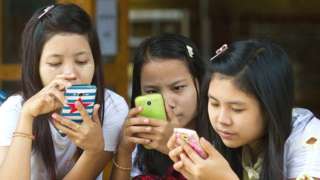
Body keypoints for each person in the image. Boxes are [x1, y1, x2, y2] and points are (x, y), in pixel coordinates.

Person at [0, 4, 128, 180]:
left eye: (82, 61)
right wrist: (27, 116)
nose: (70, 74)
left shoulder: (112, 107)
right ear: (35, 66)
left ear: (95, 61)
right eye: (55, 63)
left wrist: (93, 151)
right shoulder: (14, 110)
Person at [167, 39, 320, 180]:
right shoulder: (224, 144)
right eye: (214, 104)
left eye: (237, 109)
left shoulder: (310, 141)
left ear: (271, 106)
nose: (222, 120)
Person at [110, 34, 207, 179]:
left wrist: (176, 145)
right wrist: (124, 152)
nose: (168, 103)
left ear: (200, 83)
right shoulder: (139, 143)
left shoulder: (224, 134)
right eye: (152, 92)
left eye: (178, 88)